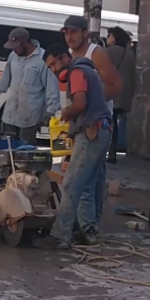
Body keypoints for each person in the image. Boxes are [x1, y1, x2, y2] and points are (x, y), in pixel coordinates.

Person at [34, 43, 112, 250]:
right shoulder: (87, 69)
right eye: (49, 67)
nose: (53, 70)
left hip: (91, 133)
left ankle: (60, 236)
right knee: (88, 184)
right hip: (101, 131)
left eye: (53, 65)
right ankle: (88, 231)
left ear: (63, 58)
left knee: (70, 184)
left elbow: (80, 104)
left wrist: (67, 114)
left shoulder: (77, 72)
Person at [0, 27, 61, 146]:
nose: (13, 50)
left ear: (25, 43)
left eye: (16, 46)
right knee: (6, 154)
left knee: (25, 156)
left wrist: (50, 111)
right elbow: (3, 82)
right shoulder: (13, 57)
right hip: (9, 117)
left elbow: (52, 90)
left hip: (29, 120)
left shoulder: (43, 59)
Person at [61, 15, 122, 114]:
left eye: (73, 32)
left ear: (85, 33)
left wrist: (91, 102)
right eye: (66, 33)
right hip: (77, 119)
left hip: (99, 120)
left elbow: (116, 85)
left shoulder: (96, 53)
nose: (69, 37)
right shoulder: (68, 55)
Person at [105, 26, 136, 163]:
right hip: (123, 92)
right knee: (116, 121)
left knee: (108, 121)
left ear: (114, 37)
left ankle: (109, 151)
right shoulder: (130, 54)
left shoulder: (107, 52)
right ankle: (114, 150)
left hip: (109, 91)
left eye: (109, 35)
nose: (107, 39)